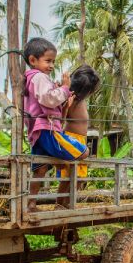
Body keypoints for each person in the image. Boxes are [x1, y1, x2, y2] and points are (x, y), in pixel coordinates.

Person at [23, 37, 100, 209]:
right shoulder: (40, 78)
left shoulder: (36, 79)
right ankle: (61, 203)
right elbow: (48, 99)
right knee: (83, 154)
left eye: (53, 62)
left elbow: (51, 102)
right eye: (48, 61)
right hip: (48, 130)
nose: (51, 65)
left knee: (40, 170)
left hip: (43, 131)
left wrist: (61, 92)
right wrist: (64, 89)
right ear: (33, 60)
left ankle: (31, 203)